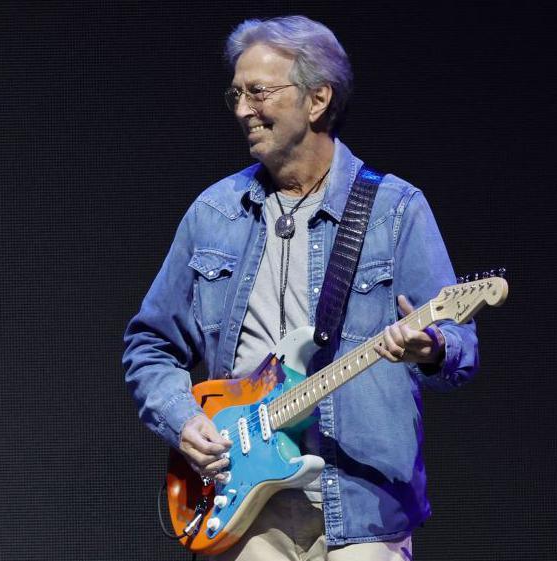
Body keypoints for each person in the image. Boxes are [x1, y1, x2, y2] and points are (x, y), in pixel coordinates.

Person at [123, 15, 478, 561]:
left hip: (364, 505)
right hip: (244, 503)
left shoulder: (395, 210)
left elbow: (461, 347)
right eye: (236, 93)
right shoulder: (214, 214)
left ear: (317, 100)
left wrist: (432, 349)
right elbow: (150, 346)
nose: (243, 109)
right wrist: (183, 418)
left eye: (259, 92)